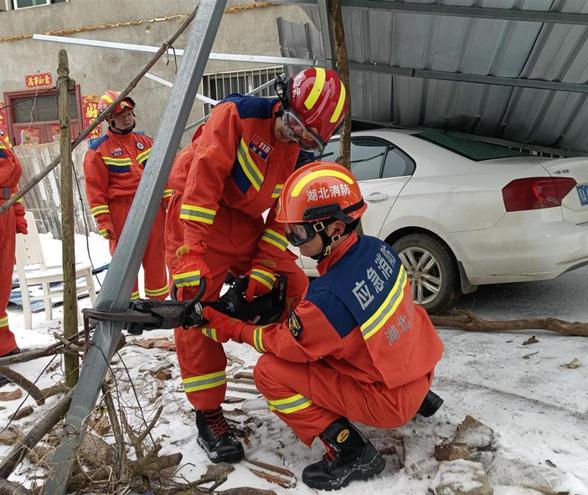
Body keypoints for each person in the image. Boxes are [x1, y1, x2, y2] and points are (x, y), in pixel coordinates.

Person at [196, 161, 445, 490]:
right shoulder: (379, 249)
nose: (293, 242)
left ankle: (351, 451)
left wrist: (232, 327)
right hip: (420, 371)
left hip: (390, 402)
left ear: (335, 229)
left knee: (269, 372)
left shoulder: (328, 299)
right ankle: (421, 398)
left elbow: (286, 345)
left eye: (298, 232)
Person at [166, 67, 348, 464]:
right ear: (283, 103)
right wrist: (192, 253)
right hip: (197, 214)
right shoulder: (237, 116)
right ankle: (208, 413)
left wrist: (265, 268)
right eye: (296, 126)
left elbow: (284, 216)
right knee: (196, 307)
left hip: (244, 222)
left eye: (310, 137)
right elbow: (203, 186)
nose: (298, 138)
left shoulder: (300, 154)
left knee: (295, 282)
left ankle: (309, 376)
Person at [83, 90, 170, 301]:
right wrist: (104, 222)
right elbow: (96, 192)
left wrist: (170, 205)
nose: (127, 117)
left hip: (152, 207)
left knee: (156, 256)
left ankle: (157, 305)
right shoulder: (98, 151)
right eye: (121, 115)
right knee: (125, 262)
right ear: (109, 120)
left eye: (129, 113)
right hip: (122, 211)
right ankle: (128, 307)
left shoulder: (147, 142)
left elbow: (163, 177)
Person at [0, 129, 27, 386]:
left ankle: (4, 347)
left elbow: (11, 182)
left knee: (2, 285)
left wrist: (17, 212)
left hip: (4, 212)